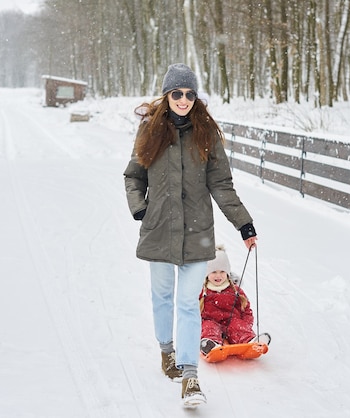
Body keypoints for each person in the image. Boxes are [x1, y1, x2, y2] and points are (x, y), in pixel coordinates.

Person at [123, 63, 258, 407]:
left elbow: (221, 184)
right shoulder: (150, 131)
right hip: (158, 228)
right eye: (177, 93)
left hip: (198, 232)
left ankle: (190, 377)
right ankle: (166, 350)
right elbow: (134, 175)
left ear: (196, 97)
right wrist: (139, 207)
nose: (183, 100)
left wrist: (244, 223)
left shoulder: (206, 133)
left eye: (189, 94)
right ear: (167, 95)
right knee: (163, 297)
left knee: (187, 303)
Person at [199, 245, 256, 355]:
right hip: (211, 323)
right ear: (207, 273)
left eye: (222, 271)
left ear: (228, 272)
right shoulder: (202, 291)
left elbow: (246, 310)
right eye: (214, 272)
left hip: (231, 322)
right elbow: (193, 312)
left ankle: (249, 341)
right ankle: (211, 344)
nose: (218, 275)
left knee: (237, 326)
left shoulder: (235, 290)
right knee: (209, 327)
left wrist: (246, 325)